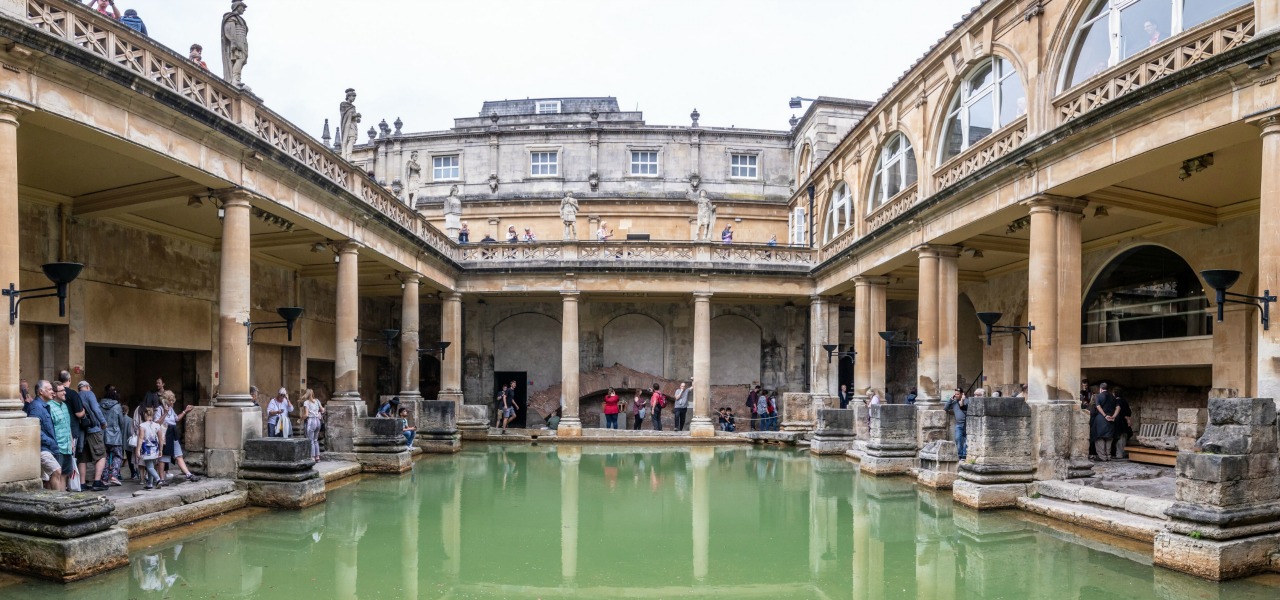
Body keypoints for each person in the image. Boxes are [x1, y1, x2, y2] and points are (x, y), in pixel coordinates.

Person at [156, 390, 199, 484]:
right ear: (165, 400)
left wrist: (185, 411)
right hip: (165, 433)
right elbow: (157, 422)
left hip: (173, 432)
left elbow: (176, 419)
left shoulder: (171, 409)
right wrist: (165, 413)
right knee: (163, 457)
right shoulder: (159, 409)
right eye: (170, 400)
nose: (172, 402)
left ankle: (188, 474)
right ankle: (161, 479)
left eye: (172, 400)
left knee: (178, 455)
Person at [30, 380, 64, 491]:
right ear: (41, 392)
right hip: (43, 448)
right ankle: (57, 501)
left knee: (48, 478)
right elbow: (35, 430)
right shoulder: (36, 407)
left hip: (48, 447)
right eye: (49, 389)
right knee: (56, 471)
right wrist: (50, 441)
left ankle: (50, 502)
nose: (52, 392)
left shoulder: (43, 406)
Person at [76, 381, 109, 491]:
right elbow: (95, 409)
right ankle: (97, 482)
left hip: (81, 431)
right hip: (93, 429)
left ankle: (82, 483)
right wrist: (103, 422)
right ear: (87, 387)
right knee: (101, 454)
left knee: (83, 457)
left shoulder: (76, 395)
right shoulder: (89, 394)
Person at [100, 386, 129, 486]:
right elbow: (121, 422)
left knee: (105, 457)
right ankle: (114, 475)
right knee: (118, 456)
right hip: (115, 435)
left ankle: (104, 478)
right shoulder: (117, 406)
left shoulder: (100, 405)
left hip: (103, 435)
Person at [49, 381, 74, 491]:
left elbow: (67, 425)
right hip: (57, 447)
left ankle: (63, 499)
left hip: (68, 446)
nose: (65, 393)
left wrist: (71, 440)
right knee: (56, 475)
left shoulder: (64, 406)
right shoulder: (49, 407)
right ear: (54, 393)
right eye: (62, 391)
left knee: (65, 474)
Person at [136, 406, 164, 491]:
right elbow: (160, 439)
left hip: (147, 449)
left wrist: (138, 449)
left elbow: (141, 438)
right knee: (151, 465)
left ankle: (158, 479)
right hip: (155, 449)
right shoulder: (157, 425)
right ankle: (150, 483)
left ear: (145, 414)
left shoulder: (142, 425)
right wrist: (161, 450)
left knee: (149, 466)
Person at [1091, 382, 1120, 461]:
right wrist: (1113, 416)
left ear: (1100, 389)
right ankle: (1108, 456)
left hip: (1101, 419)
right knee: (1109, 438)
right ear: (1107, 388)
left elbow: (1098, 406)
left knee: (1099, 438)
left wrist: (1104, 415)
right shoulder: (1113, 397)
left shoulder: (1098, 396)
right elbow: (1118, 407)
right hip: (1111, 420)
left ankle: (1102, 457)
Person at [945, 388, 969, 461]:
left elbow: (964, 406)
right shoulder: (954, 402)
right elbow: (946, 408)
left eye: (958, 394)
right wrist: (950, 399)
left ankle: (964, 455)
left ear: (962, 394)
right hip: (958, 424)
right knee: (958, 439)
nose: (956, 395)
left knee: (965, 440)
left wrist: (963, 399)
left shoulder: (967, 401)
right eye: (955, 394)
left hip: (966, 423)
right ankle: (959, 455)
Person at [300, 389, 324, 462]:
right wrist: (316, 411)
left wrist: (300, 419)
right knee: (315, 440)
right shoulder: (317, 401)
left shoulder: (306, 402)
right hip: (318, 421)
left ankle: (312, 457)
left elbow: (306, 414)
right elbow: (322, 410)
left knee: (310, 440)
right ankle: (317, 457)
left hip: (311, 422)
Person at [1112, 386, 1132, 460]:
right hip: (1124, 422)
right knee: (1123, 439)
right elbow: (1129, 412)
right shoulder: (1125, 401)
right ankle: (1122, 453)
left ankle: (1119, 454)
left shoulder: (1116, 402)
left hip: (1118, 422)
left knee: (1119, 440)